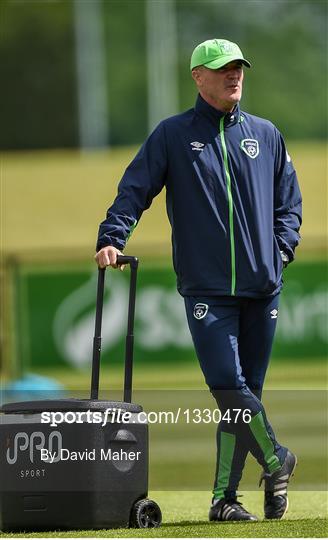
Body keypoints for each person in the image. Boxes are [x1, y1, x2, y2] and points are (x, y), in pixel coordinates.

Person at [95, 38, 302, 522]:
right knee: (228, 386)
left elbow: (289, 204)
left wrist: (281, 251)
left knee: (245, 391)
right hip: (208, 291)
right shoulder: (172, 135)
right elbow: (135, 188)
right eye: (222, 69)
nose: (234, 76)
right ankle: (277, 460)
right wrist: (112, 235)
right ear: (198, 77)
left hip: (263, 287)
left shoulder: (267, 134)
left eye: (238, 68)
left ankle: (224, 501)